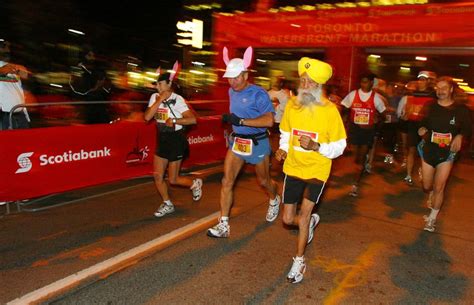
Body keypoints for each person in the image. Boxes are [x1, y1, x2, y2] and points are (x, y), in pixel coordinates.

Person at [275, 57, 346, 283]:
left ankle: (299, 261)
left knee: (303, 216)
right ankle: (311, 223)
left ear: (318, 85)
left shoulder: (330, 111)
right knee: (287, 219)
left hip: (318, 169)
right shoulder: (293, 106)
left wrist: (317, 146)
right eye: (302, 80)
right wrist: (282, 150)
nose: (304, 84)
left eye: (309, 81)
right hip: (294, 167)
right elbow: (286, 133)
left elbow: (340, 146)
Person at [207, 46, 280, 238]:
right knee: (227, 181)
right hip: (238, 142)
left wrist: (240, 121)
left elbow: (269, 121)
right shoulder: (232, 91)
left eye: (236, 77)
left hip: (258, 142)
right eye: (229, 78)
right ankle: (223, 225)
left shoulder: (259, 93)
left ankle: (274, 197)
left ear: (246, 75)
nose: (232, 82)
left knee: (264, 181)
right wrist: (232, 120)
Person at [144, 61, 203, 218]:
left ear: (169, 83)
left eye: (160, 84)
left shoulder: (178, 100)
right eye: (156, 84)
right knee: (157, 175)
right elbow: (147, 117)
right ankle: (167, 203)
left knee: (173, 179)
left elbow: (192, 120)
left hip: (176, 140)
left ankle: (194, 183)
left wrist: (175, 120)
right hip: (162, 139)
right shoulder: (154, 97)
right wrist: (158, 100)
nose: (158, 87)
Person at [417, 77, 472, 232]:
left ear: (451, 90)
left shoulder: (460, 110)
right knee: (427, 186)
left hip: (447, 153)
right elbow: (422, 123)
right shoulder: (430, 106)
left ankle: (432, 219)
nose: (440, 91)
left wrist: (460, 136)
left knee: (440, 187)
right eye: (438, 88)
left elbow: (467, 129)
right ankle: (430, 188)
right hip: (428, 150)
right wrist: (421, 129)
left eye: (444, 88)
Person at [341, 73, 386, 196]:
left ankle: (355, 184)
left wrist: (377, 121)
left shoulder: (376, 98)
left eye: (366, 82)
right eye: (362, 82)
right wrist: (344, 121)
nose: (363, 84)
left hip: (368, 131)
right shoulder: (353, 95)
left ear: (372, 82)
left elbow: (383, 113)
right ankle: (361, 164)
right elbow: (343, 107)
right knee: (356, 157)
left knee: (360, 158)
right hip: (355, 129)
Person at [397, 70, 437, 185]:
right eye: (420, 79)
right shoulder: (412, 94)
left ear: (428, 81)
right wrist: (405, 114)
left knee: (424, 151)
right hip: (413, 125)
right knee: (411, 149)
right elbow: (407, 111)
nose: (421, 82)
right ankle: (408, 175)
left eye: (423, 79)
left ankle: (423, 172)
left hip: (426, 127)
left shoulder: (433, 95)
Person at [69, 47, 112, 124]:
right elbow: (76, 88)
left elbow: (107, 85)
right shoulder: (78, 69)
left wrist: (103, 85)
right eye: (89, 55)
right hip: (86, 105)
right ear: (84, 56)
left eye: (93, 55)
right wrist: (94, 88)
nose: (93, 58)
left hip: (99, 103)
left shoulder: (97, 69)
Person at [0, 39, 30, 130]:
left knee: (24, 142)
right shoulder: (9, 68)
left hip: (20, 114)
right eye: (3, 46)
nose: (7, 50)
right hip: (3, 116)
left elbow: (25, 75)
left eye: (8, 47)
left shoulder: (14, 67)